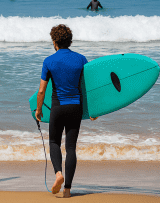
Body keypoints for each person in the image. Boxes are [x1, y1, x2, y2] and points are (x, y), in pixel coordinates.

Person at [35, 24, 95, 198]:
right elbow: (88, 87)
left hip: (58, 107)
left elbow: (41, 91)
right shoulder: (81, 59)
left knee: (54, 142)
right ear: (69, 41)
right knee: (71, 147)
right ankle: (67, 190)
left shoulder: (49, 61)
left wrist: (38, 110)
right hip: (76, 107)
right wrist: (93, 109)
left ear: (54, 42)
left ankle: (58, 174)